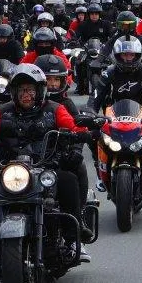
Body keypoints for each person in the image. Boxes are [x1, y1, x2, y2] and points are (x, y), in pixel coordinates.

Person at [0, 64, 93, 250]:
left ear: (39, 91)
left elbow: (73, 126)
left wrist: (83, 132)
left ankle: (72, 235)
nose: (26, 94)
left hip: (46, 165)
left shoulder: (55, 109)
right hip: (8, 167)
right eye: (21, 90)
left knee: (68, 179)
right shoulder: (2, 111)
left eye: (30, 90)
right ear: (14, 92)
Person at [92, 36, 142, 190]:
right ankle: (99, 172)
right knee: (92, 136)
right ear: (117, 55)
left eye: (131, 55)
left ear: (137, 55)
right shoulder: (108, 73)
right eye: (125, 55)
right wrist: (91, 114)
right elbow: (95, 98)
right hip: (112, 118)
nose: (128, 58)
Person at [36, 53, 92, 206]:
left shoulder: (66, 104)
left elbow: (78, 127)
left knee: (78, 167)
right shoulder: (27, 102)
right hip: (28, 157)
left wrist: (76, 150)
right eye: (48, 79)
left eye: (56, 80)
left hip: (58, 155)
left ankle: (79, 211)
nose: (53, 84)